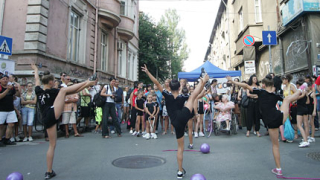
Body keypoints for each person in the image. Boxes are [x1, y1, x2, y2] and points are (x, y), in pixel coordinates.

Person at [227, 75, 303, 176]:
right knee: (287, 100)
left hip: (271, 122)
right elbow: (293, 99)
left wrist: (233, 82)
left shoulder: (260, 92)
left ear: (263, 85)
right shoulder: (275, 95)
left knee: (275, 146)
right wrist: (299, 93)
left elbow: (245, 85)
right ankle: (301, 90)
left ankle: (279, 169)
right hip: (280, 117)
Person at [142, 64, 209, 179]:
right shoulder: (183, 96)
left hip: (176, 122)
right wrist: (202, 83)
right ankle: (203, 81)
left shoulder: (166, 95)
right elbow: (195, 94)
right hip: (184, 114)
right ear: (179, 88)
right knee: (192, 97)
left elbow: (157, 83)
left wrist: (147, 72)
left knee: (180, 148)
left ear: (169, 87)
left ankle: (179, 171)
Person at [31, 64, 96, 179]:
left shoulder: (38, 91)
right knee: (63, 91)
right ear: (50, 82)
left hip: (45, 118)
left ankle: (49, 171)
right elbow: (70, 90)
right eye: (54, 81)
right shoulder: (53, 92)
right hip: (52, 113)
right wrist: (86, 83)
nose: (55, 82)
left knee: (52, 145)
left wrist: (36, 70)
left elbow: (37, 80)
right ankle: (88, 81)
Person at [0, 74, 19, 146]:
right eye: (3, 79)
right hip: (1, 110)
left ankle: (7, 139)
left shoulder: (11, 87)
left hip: (10, 109)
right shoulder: (1, 87)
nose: (5, 80)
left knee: (11, 125)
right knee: (1, 126)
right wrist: (7, 90)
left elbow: (16, 95)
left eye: (6, 79)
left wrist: (16, 89)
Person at [282, 74, 298, 139]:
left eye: (284, 79)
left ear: (287, 80)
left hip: (292, 104)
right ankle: (288, 132)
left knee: (294, 119)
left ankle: (296, 133)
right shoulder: (284, 88)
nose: (283, 80)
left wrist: (293, 100)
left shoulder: (291, 86)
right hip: (286, 104)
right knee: (286, 118)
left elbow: (297, 94)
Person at [295, 79, 310, 148]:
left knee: (299, 125)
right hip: (305, 108)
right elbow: (308, 102)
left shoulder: (300, 92)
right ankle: (306, 138)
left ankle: (305, 140)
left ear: (299, 85)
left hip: (300, 109)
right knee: (306, 125)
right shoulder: (305, 92)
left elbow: (298, 97)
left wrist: (295, 98)